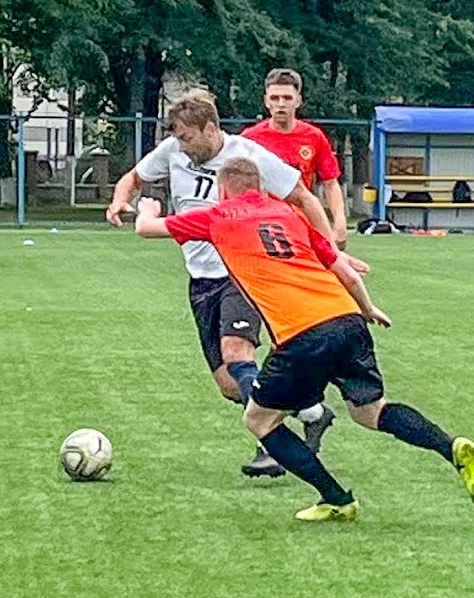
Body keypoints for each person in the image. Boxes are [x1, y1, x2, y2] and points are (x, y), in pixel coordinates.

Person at [134, 156, 474, 522]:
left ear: (223, 191)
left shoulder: (218, 215)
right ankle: (451, 447)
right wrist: (367, 308)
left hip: (302, 334)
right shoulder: (290, 215)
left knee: (259, 421)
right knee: (371, 411)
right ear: (260, 188)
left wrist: (147, 208)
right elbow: (343, 268)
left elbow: (146, 229)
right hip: (347, 318)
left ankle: (336, 498)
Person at [107, 89, 368, 478]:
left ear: (210, 128)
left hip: (242, 274)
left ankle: (271, 443)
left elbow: (304, 198)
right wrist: (118, 200)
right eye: (177, 137)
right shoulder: (173, 151)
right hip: (200, 281)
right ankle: (312, 413)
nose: (181, 145)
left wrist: (331, 249)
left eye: (186, 136)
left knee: (237, 353)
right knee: (229, 383)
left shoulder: (248, 157)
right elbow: (133, 177)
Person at [242, 68, 348, 247]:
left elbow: (330, 183)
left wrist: (339, 220)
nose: (281, 104)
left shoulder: (314, 137)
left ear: (298, 101)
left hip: (302, 223)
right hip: (261, 224)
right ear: (266, 101)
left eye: (287, 98)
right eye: (275, 98)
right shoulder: (249, 139)